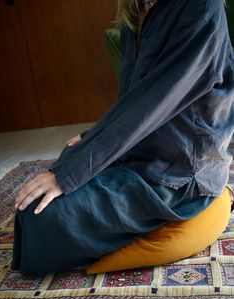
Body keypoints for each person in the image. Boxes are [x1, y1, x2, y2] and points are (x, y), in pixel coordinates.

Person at [12, 0, 234, 275]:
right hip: (140, 150)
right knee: (67, 157)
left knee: (39, 214)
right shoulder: (136, 9)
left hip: (179, 174)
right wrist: (91, 138)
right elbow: (132, 99)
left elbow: (151, 104)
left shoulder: (201, 8)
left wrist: (68, 174)